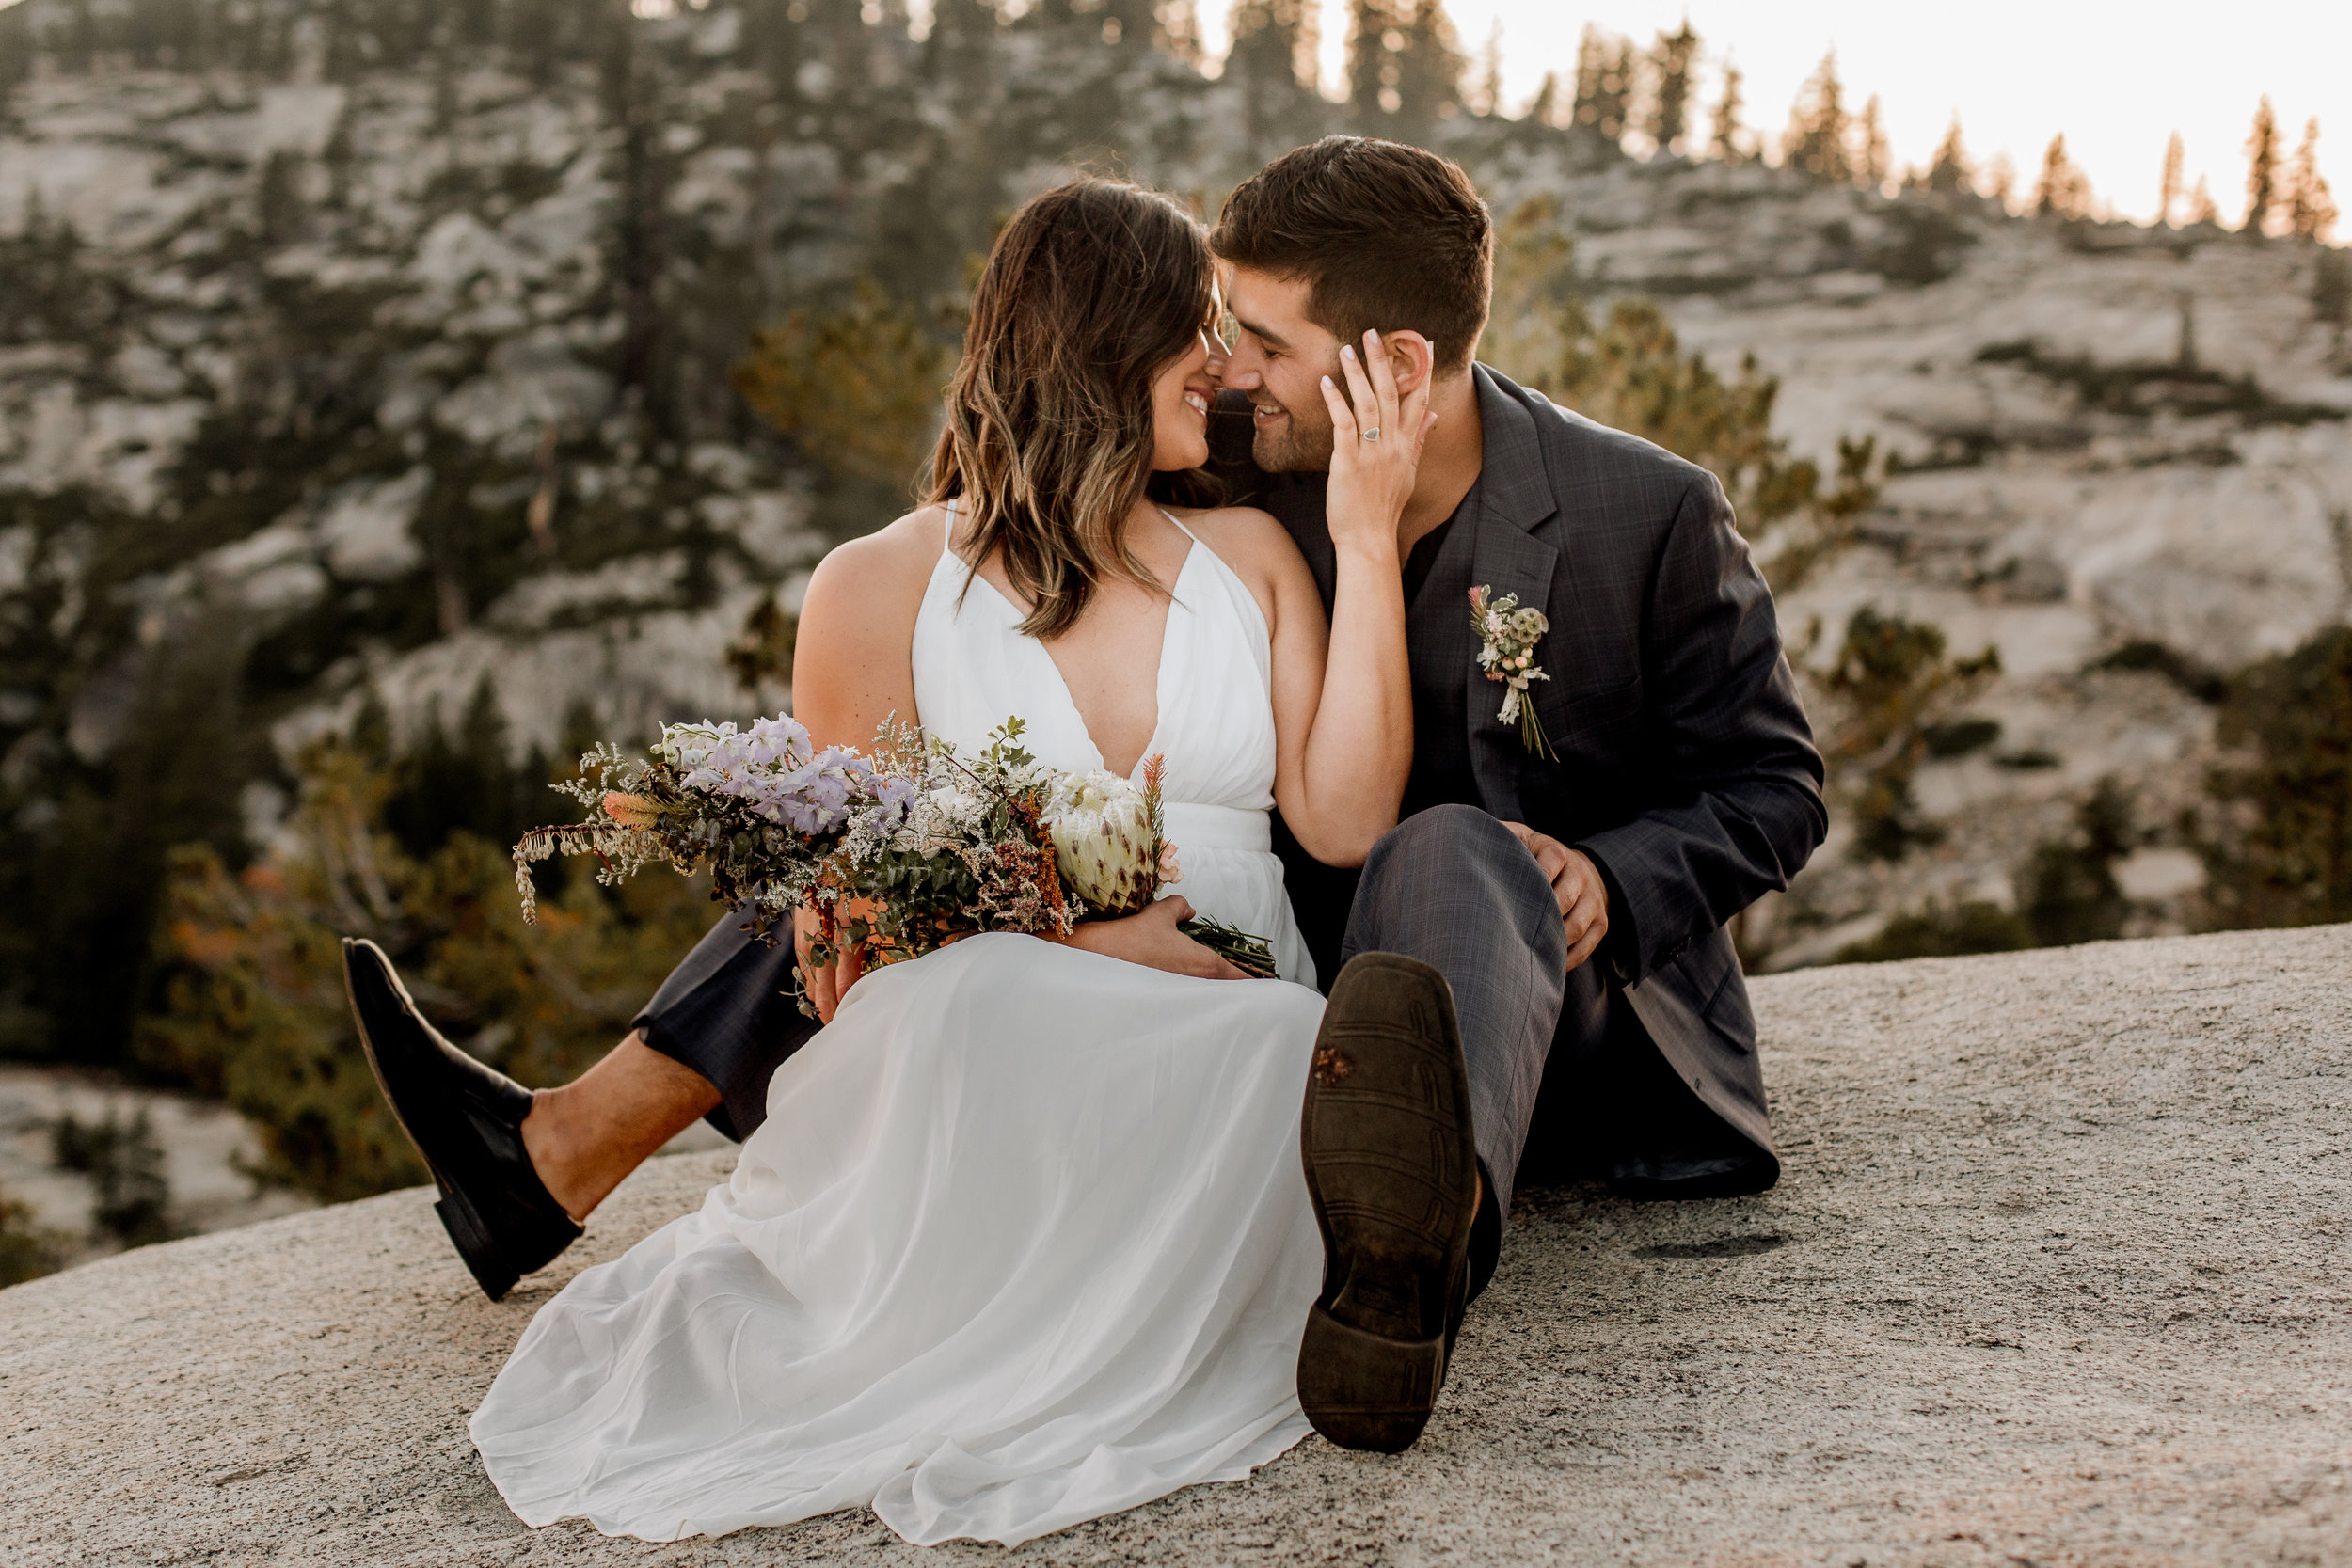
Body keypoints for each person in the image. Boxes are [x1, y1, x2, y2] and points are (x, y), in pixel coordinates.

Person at [344, 135, 1825, 1518]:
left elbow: (1776, 786)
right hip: (1279, 960)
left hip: (1534, 1003)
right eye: (1212, 330)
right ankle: (544, 1158)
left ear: (1399, 364)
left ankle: (1405, 1259)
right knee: (905, 839)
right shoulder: (1255, 476)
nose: (1230, 369)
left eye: (1259, 341)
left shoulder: (1642, 514)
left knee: (1444, 846)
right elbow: (1023, 610)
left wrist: (1612, 879)